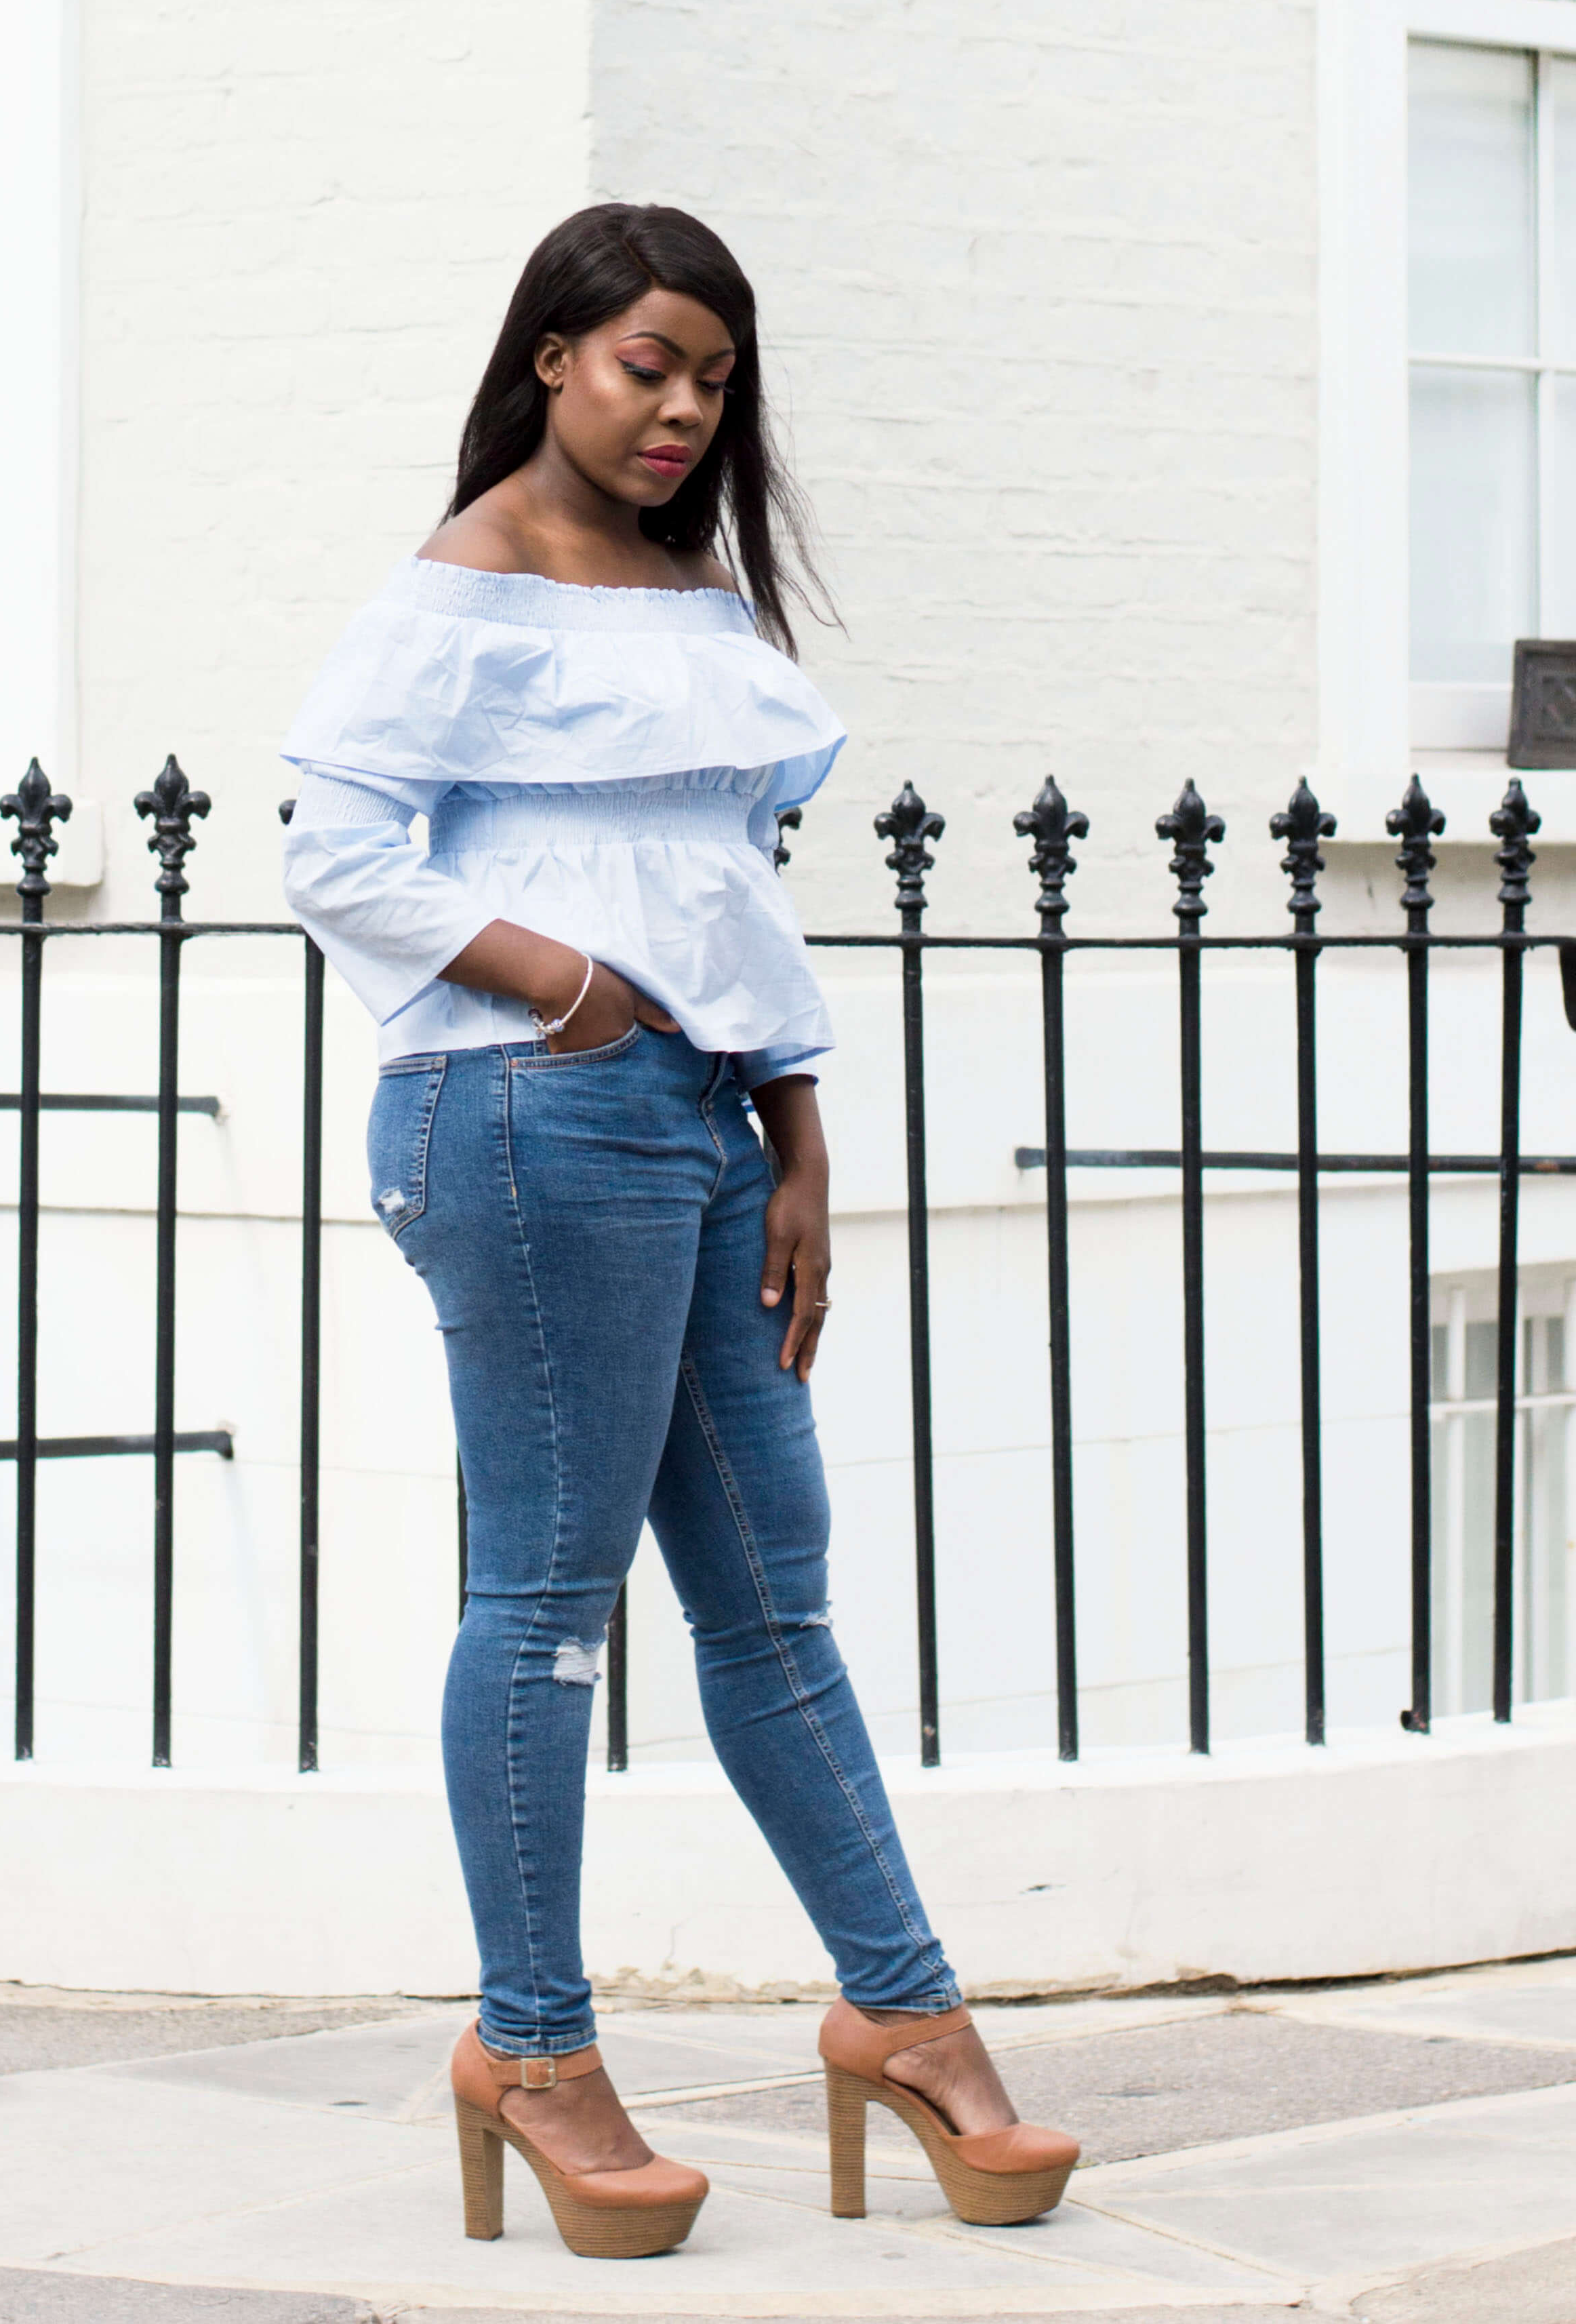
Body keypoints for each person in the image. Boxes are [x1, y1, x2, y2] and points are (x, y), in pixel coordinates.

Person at [281, 202, 1082, 2258]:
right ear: (551, 354)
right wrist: (559, 982)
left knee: (772, 1601)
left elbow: (728, 881)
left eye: (714, 378)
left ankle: (902, 2016)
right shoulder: (461, 587)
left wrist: (797, 1133)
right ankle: (533, 2052)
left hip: (710, 1120)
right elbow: (334, 854)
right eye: (648, 364)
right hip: (532, 1115)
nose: (683, 410)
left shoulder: (692, 589)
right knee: (546, 1598)